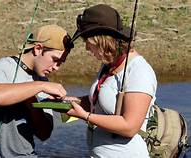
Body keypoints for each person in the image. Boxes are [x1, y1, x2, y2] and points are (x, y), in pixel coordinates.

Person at [66, 4, 157, 157]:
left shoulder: (139, 71)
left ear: (101, 40)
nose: (87, 48)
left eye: (87, 41)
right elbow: (100, 104)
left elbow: (130, 127)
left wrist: (85, 116)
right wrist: (70, 101)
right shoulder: (108, 64)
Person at [0, 24, 72, 157]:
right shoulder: (2, 68)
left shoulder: (42, 81)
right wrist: (39, 87)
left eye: (61, 62)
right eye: (55, 60)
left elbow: (44, 134)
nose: (56, 67)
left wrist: (33, 104)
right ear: (38, 49)